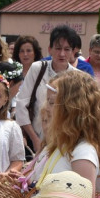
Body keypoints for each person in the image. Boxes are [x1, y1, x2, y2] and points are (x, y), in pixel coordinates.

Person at [14, 25, 80, 154]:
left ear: (73, 52)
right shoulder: (37, 69)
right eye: (58, 48)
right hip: (36, 137)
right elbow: (21, 104)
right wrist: (34, 139)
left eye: (67, 49)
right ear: (50, 49)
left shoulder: (77, 77)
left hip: (64, 142)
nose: (62, 54)